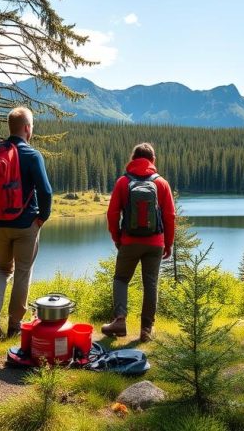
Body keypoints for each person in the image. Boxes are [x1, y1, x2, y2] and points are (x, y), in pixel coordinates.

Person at [0, 107, 53, 339]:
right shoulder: (32, 155)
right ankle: (15, 324)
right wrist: (43, 216)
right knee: (22, 271)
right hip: (25, 224)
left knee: (2, 269)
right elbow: (46, 191)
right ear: (27, 128)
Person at [100, 142, 176, 342]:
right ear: (153, 160)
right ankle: (146, 330)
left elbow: (112, 214)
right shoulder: (162, 183)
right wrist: (168, 243)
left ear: (133, 158)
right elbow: (170, 217)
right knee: (150, 283)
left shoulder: (123, 182)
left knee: (121, 279)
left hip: (129, 241)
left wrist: (117, 238)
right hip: (155, 242)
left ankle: (119, 321)